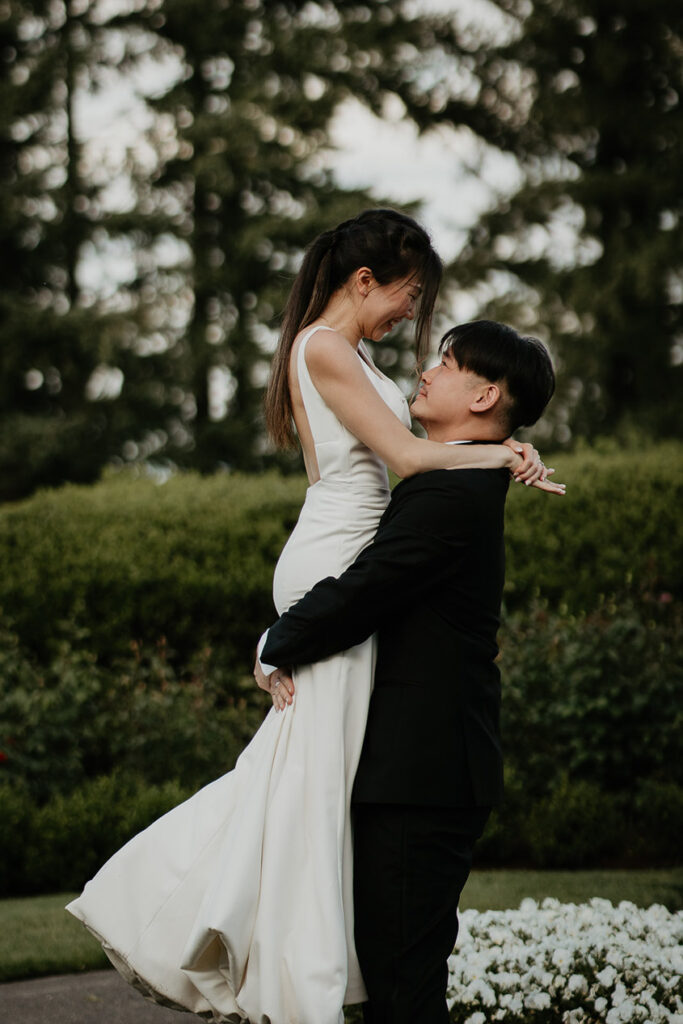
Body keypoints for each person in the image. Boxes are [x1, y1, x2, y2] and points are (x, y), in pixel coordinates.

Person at [66, 211, 559, 1024]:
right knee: (305, 776)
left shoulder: (360, 362)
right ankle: (272, 952)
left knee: (310, 778)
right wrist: (498, 453)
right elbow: (403, 461)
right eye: (407, 297)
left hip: (355, 556)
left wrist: (496, 454)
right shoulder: (323, 347)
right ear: (363, 281)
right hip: (335, 552)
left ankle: (299, 951)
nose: (412, 320)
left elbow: (410, 480)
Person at [255, 320, 559, 1023]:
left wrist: (274, 641)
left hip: (422, 775)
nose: (427, 369)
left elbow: (367, 589)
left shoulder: (449, 494)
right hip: (423, 771)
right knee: (396, 981)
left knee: (402, 989)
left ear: (484, 395)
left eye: (448, 363)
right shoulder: (457, 476)